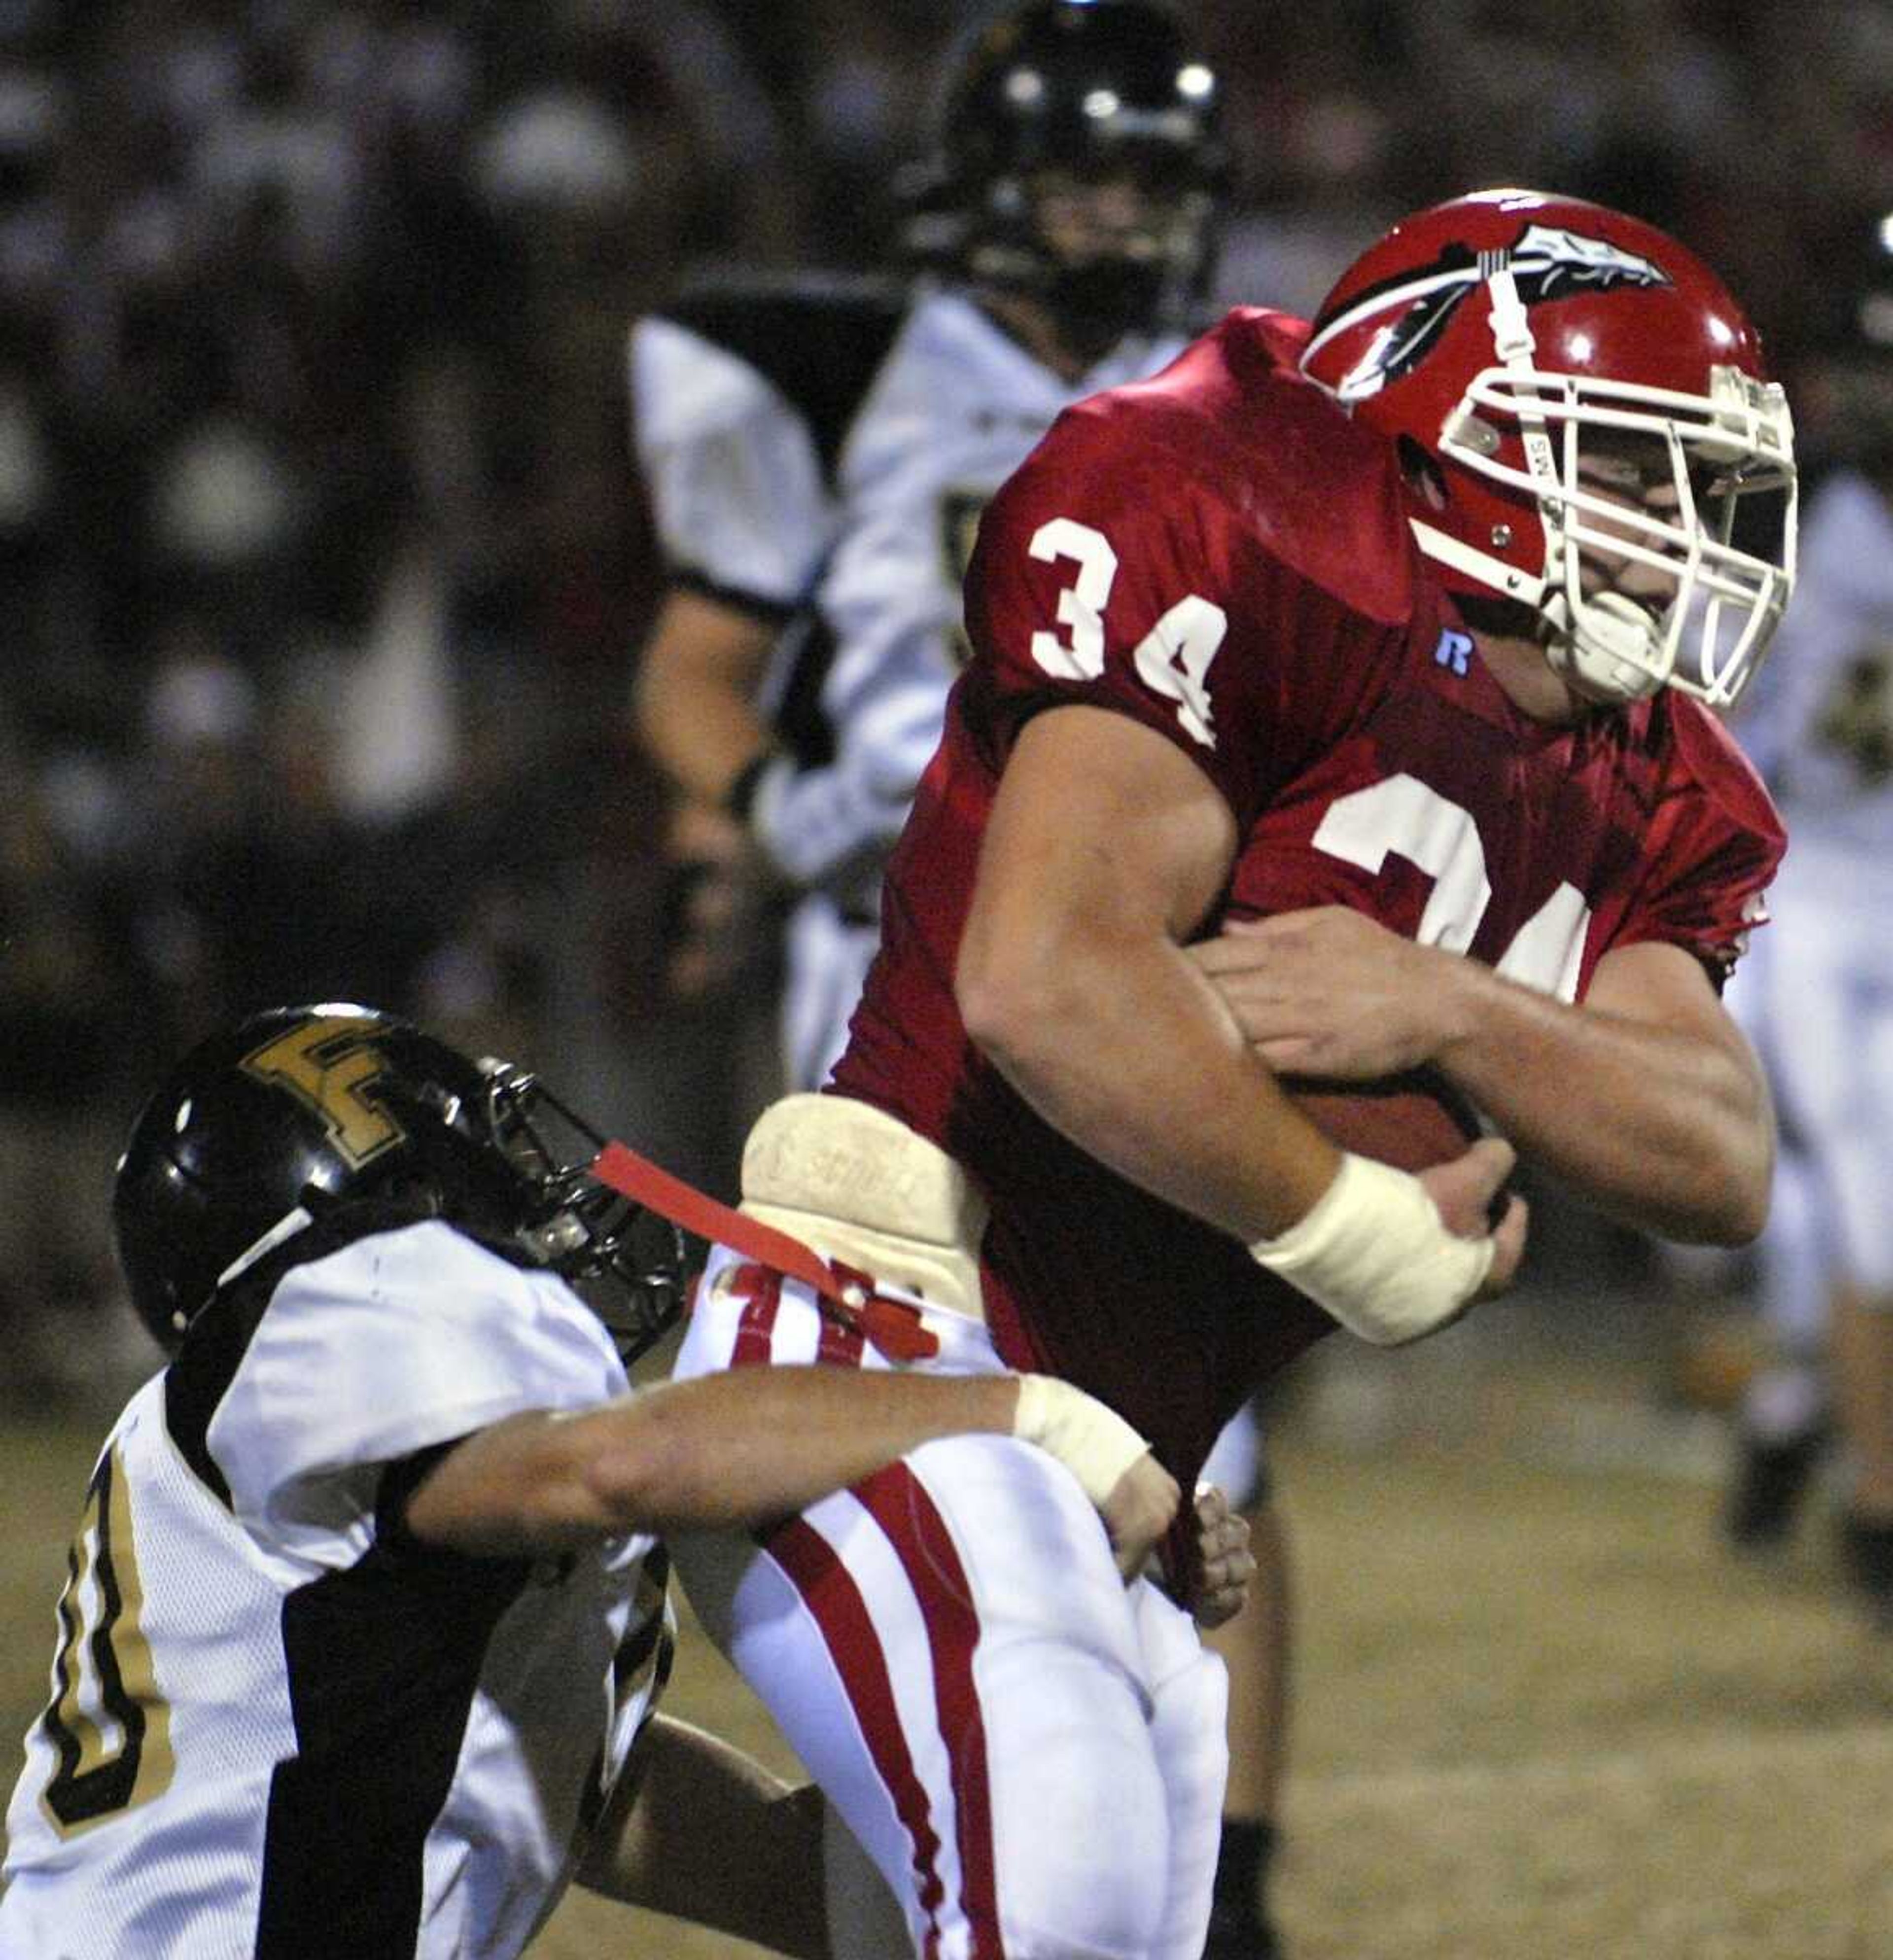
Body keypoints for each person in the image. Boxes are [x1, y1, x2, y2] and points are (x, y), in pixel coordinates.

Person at [662, 185, 1797, 1960]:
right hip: (905, 1325)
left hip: (1141, 1462)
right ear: (1454, 425)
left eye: (1693, 488)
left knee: (972, 1921)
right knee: (1066, 1909)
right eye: (1630, 470)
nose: (1675, 535)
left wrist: (1448, 1004)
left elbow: (1718, 1152)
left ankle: (513, 1792)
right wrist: (1351, 1223)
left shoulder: (1656, 776)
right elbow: (1046, 977)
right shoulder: (1244, 510)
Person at [629, 3, 1296, 1951]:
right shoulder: (844, 380)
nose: (1111, 217)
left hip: (1148, 955)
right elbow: (695, 673)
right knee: (920, 1399)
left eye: (1146, 181)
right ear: (988, 184)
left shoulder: (1238, 394)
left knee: (1195, 1424)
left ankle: (1212, 1875)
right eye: (1082, 172)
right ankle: (958, 1814)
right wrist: (755, 816)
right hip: (886, 966)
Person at [0, 1001, 1221, 1959]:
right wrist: (1017, 1413)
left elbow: (578, 1785)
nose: (533, 1191)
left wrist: (962, 1846)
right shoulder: (344, 1294)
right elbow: (611, 1467)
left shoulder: (320, 1503)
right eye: (480, 1155)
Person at [1717, 218, 1893, 1628]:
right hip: (1812, 888)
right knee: (1853, 1211)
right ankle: (1875, 1506)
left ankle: (1792, 1408)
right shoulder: (1801, 504)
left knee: (1853, 1222)